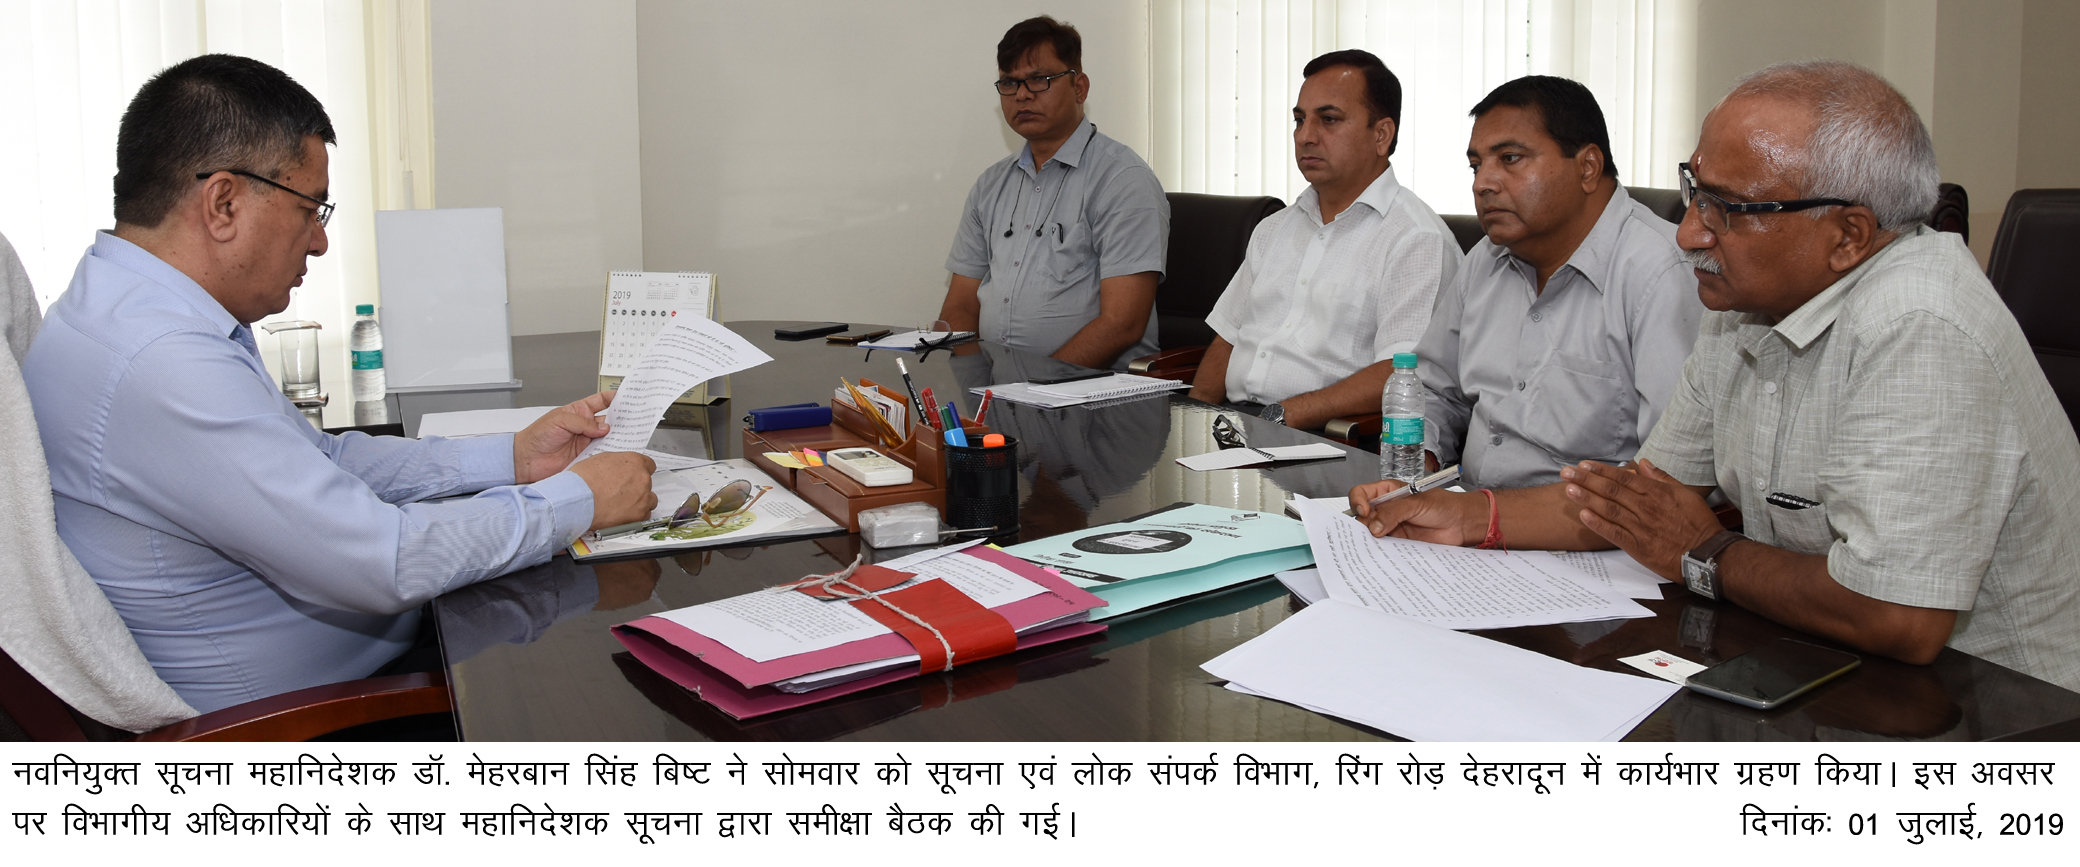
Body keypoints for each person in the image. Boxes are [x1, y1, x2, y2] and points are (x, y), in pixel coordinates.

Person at [1352, 61, 2080, 690]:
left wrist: (1705, 553)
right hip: (1816, 658)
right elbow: (1647, 500)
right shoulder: (1741, 304)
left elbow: (1897, 615)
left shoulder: (1921, 322)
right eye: (1693, 192)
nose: (1688, 231)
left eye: (1728, 209)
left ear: (1848, 235)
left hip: (1998, 706)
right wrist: (1464, 517)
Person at [21, 54, 659, 713]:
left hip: (354, 669)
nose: (320, 242)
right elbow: (384, 562)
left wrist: (513, 458)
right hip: (311, 720)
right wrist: (578, 499)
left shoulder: (118, 303)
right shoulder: (161, 361)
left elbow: (321, 459)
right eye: (310, 209)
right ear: (223, 202)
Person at [1417, 75, 1701, 490]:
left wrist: (1477, 515)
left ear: (1588, 167)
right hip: (1465, 511)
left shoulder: (1660, 273)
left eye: (1510, 158)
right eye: (1476, 166)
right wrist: (1418, 467)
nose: (1482, 183)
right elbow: (1432, 390)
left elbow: (1668, 477)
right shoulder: (1486, 258)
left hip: (1584, 525)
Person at [1189, 49, 1458, 430]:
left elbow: (1399, 374)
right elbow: (1228, 338)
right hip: (1237, 427)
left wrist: (1278, 417)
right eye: (1300, 120)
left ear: (1381, 134)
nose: (1305, 136)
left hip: (1322, 436)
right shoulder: (1274, 228)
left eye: (1328, 120)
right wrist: (1195, 422)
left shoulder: (1416, 240)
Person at [940, 15, 1168, 370]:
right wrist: (971, 383)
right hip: (1000, 390)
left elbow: (1121, 324)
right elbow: (961, 306)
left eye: (1039, 79)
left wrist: (1032, 389)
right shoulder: (990, 185)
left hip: (1095, 393)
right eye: (1010, 82)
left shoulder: (1123, 180)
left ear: (1080, 88)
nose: (1022, 94)